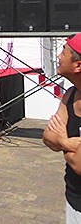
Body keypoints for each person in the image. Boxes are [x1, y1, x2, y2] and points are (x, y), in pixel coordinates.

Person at [43, 33, 81, 223]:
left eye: (64, 52)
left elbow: (79, 165)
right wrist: (65, 141)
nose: (58, 56)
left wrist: (60, 144)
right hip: (73, 199)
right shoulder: (71, 94)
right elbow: (47, 136)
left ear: (78, 65)